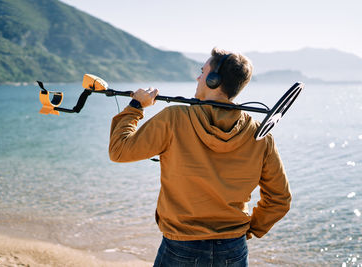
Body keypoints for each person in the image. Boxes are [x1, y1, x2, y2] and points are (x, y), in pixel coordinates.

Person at [109, 48, 291, 267]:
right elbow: (279, 199)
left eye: (202, 72)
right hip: (233, 248)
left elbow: (119, 150)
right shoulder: (259, 135)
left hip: (181, 247)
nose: (198, 77)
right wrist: (247, 230)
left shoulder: (174, 119)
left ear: (213, 80)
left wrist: (136, 107)